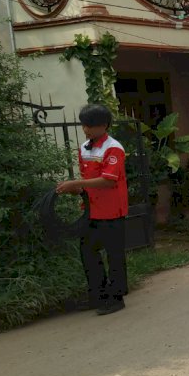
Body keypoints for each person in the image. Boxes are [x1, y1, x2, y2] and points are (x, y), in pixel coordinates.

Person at [57, 104, 129, 315]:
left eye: (90, 125)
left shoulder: (113, 148)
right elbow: (87, 181)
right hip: (91, 209)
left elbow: (108, 181)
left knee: (114, 255)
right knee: (88, 252)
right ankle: (97, 296)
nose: (85, 129)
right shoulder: (84, 147)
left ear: (103, 125)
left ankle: (116, 297)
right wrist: (74, 189)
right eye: (84, 125)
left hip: (112, 210)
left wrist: (76, 182)